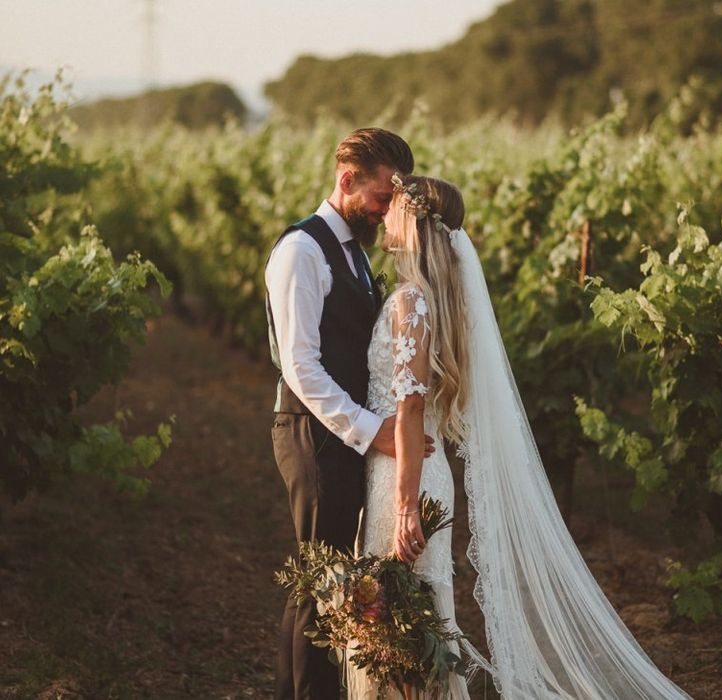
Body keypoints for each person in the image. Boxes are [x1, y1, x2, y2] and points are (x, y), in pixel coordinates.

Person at [347, 174, 693, 699]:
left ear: (413, 222)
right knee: (407, 627)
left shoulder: (410, 302)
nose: (385, 214)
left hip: (403, 477)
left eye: (394, 206)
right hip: (414, 470)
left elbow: (411, 405)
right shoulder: (430, 300)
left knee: (398, 633)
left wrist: (403, 507)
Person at [266, 128, 434, 699]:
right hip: (313, 433)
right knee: (322, 584)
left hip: (344, 435)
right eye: (384, 196)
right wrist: (373, 431)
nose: (389, 209)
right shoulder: (301, 251)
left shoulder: (353, 254)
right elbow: (300, 367)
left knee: (331, 580)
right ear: (347, 181)